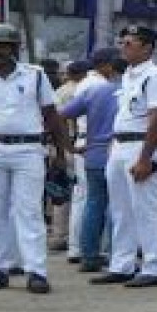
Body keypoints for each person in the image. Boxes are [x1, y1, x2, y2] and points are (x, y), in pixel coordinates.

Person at [0, 23, 71, 294]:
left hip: (28, 150)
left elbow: (51, 115)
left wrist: (61, 154)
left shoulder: (34, 75)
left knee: (29, 211)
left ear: (15, 48)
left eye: (3, 46)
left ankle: (36, 271)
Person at [91, 25, 157, 288]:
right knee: (120, 209)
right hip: (120, 145)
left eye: (131, 42)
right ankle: (122, 264)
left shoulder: (155, 76)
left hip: (141, 145)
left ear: (148, 48)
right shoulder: (128, 76)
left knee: (146, 209)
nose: (124, 46)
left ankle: (154, 266)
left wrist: (145, 158)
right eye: (123, 42)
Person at [58, 50, 125, 273]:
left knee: (94, 203)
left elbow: (61, 115)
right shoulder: (129, 91)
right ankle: (117, 255)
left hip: (93, 153)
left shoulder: (94, 91)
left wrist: (68, 146)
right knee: (119, 206)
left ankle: (89, 256)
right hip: (119, 153)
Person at [49, 61, 88, 255]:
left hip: (62, 146)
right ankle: (77, 239)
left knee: (61, 191)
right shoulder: (85, 89)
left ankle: (59, 235)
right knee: (80, 194)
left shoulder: (59, 92)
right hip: (78, 146)